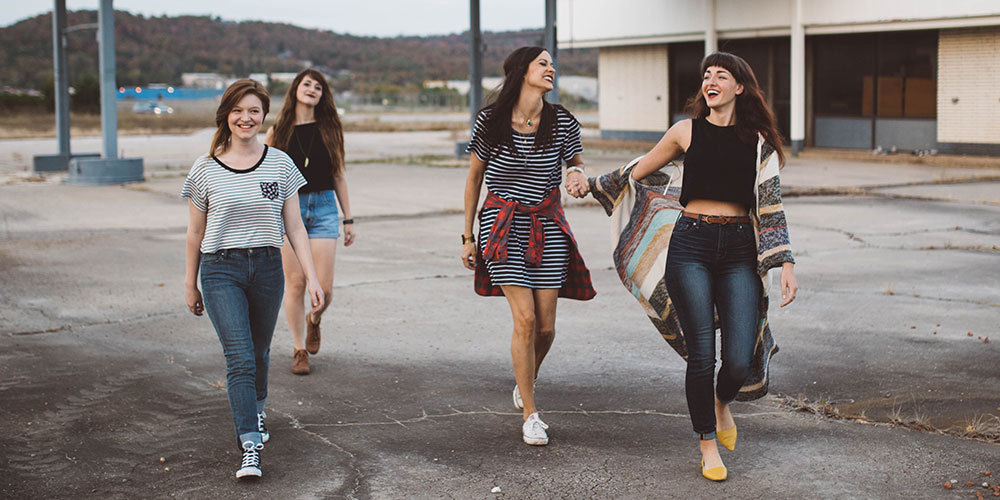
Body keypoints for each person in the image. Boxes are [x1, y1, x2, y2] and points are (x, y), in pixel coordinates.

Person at [585, 52, 798, 481]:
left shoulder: (758, 142)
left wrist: (785, 263)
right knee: (702, 354)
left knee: (737, 359)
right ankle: (706, 444)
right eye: (706, 75)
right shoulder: (685, 131)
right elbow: (637, 170)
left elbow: (771, 207)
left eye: (722, 74)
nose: (711, 80)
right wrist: (591, 184)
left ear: (740, 87)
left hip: (740, 249)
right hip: (691, 246)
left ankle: (722, 403)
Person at [183, 79, 324, 479]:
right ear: (226, 115)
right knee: (240, 357)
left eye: (254, 111)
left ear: (264, 116)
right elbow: (195, 232)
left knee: (260, 353)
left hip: (266, 267)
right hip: (219, 269)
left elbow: (295, 226)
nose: (246, 118)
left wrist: (312, 278)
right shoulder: (205, 167)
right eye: (238, 110)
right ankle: (249, 444)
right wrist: (189, 282)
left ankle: (257, 409)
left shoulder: (280, 163)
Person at [461, 46, 596, 447]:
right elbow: (473, 180)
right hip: (501, 226)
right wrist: (467, 236)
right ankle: (531, 413)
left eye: (553, 64)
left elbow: (576, 163)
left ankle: (525, 377)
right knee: (525, 321)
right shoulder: (490, 121)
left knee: (547, 326)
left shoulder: (562, 121)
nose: (551, 69)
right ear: (521, 71)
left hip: (547, 225)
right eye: (543, 63)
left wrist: (575, 175)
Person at [265, 69, 355, 376]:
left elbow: (340, 174)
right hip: (289, 210)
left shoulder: (331, 128)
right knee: (296, 282)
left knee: (324, 288)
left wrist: (349, 218)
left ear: (322, 95)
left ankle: (314, 320)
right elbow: (268, 175)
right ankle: (299, 349)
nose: (312, 89)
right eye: (307, 84)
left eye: (318, 87)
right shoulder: (278, 130)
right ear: (295, 89)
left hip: (325, 207)